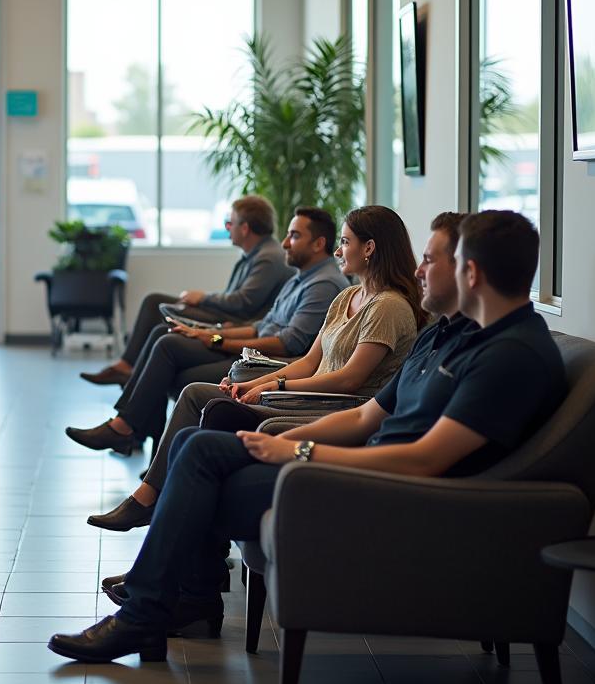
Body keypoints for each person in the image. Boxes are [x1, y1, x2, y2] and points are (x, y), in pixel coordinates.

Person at [48, 210, 567, 663]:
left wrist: (298, 450)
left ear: (470, 272)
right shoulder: (450, 334)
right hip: (356, 466)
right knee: (194, 443)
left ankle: (150, 613)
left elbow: (424, 461)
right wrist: (286, 440)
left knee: (201, 458)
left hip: (383, 493)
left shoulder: (508, 357)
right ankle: (168, 604)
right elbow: (366, 416)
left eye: (432, 260)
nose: (418, 268)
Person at [87, 205, 430, 532]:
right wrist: (259, 383)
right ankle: (148, 497)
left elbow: (350, 379)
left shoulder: (388, 307)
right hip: (307, 396)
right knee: (195, 392)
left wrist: (274, 387)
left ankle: (151, 500)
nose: (339, 251)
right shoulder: (347, 297)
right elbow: (309, 362)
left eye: (345, 242)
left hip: (333, 405)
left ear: (369, 248)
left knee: (200, 398)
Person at [64, 207, 349, 456]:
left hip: (266, 362)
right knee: (167, 341)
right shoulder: (301, 279)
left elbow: (288, 343)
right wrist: (209, 335)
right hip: (252, 348)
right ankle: (140, 444)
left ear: (318, 244)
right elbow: (261, 325)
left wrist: (216, 337)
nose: (285, 242)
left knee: (169, 349)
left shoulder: (322, 284)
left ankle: (130, 432)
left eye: (295, 236)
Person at [79, 195, 291, 386]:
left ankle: (128, 370)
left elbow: (243, 302)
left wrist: (203, 299)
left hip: (237, 320)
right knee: (159, 315)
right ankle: (129, 371)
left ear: (245, 228)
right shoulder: (257, 252)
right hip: (235, 316)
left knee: (157, 307)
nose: (227, 228)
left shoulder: (267, 257)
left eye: (230, 223)